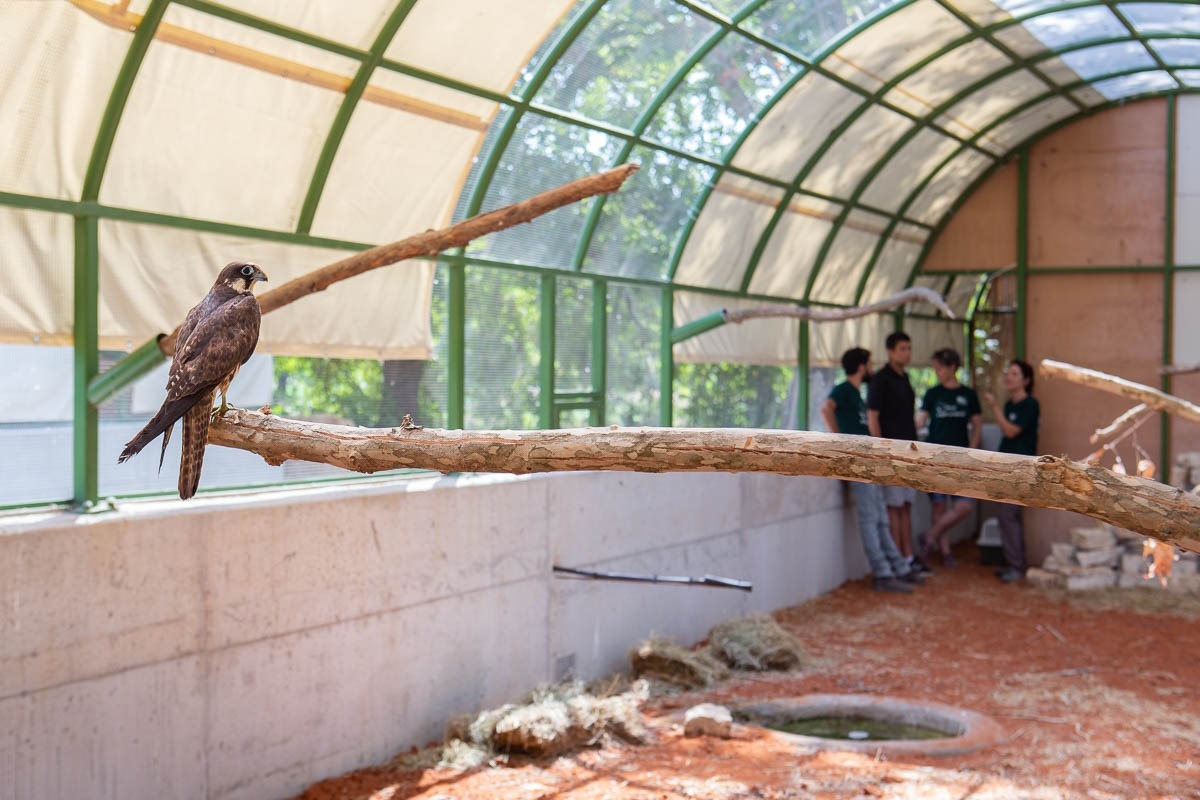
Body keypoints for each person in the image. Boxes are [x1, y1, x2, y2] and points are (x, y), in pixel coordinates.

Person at [821, 347, 922, 594]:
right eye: (869, 364)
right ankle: (883, 572)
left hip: (868, 461)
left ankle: (897, 567)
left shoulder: (856, 393)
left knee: (879, 517)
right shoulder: (844, 389)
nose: (872, 369)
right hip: (857, 462)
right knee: (870, 518)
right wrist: (839, 441)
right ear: (861, 366)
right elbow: (826, 408)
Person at [866, 331, 929, 574]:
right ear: (890, 351)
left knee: (905, 506)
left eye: (909, 348)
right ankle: (898, 562)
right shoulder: (880, 380)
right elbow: (873, 416)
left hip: (910, 451)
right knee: (893, 508)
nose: (907, 353)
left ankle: (908, 557)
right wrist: (882, 449)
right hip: (891, 453)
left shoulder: (905, 378)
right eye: (902, 348)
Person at [916, 348, 982, 568]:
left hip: (961, 458)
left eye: (940, 368)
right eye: (935, 368)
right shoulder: (932, 394)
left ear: (953, 366)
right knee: (938, 507)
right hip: (935, 457)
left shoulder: (968, 394)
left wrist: (972, 451)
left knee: (965, 506)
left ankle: (929, 536)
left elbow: (977, 425)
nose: (937, 372)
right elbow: (920, 421)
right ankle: (945, 552)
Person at [983, 359, 1039, 583]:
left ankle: (1017, 565)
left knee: (1009, 515)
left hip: (1022, 468)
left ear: (1026, 380)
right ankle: (1012, 562)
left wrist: (994, 407)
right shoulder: (1009, 406)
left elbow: (1011, 431)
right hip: (1005, 466)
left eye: (1014, 374)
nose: (1008, 377)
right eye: (1008, 373)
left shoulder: (1030, 405)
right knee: (1005, 516)